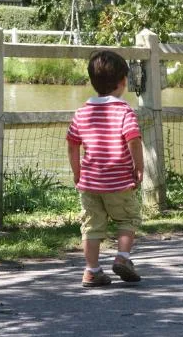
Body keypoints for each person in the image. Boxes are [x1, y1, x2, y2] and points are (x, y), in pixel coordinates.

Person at [66, 50, 145, 287]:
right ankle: (122, 257)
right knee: (128, 218)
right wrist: (138, 166)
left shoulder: (82, 112)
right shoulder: (123, 111)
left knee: (91, 225)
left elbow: (72, 144)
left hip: (90, 183)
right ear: (123, 82)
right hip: (118, 181)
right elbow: (133, 139)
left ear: (93, 82)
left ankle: (91, 270)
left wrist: (77, 172)